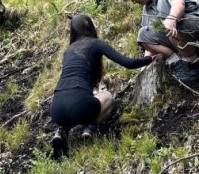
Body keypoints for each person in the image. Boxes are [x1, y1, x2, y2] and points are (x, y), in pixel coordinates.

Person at [50, 14, 154, 158]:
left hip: (56, 108)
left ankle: (61, 131)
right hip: (81, 104)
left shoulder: (68, 51)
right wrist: (150, 58)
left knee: (76, 103)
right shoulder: (95, 43)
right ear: (90, 27)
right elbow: (127, 63)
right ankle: (89, 127)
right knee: (108, 97)